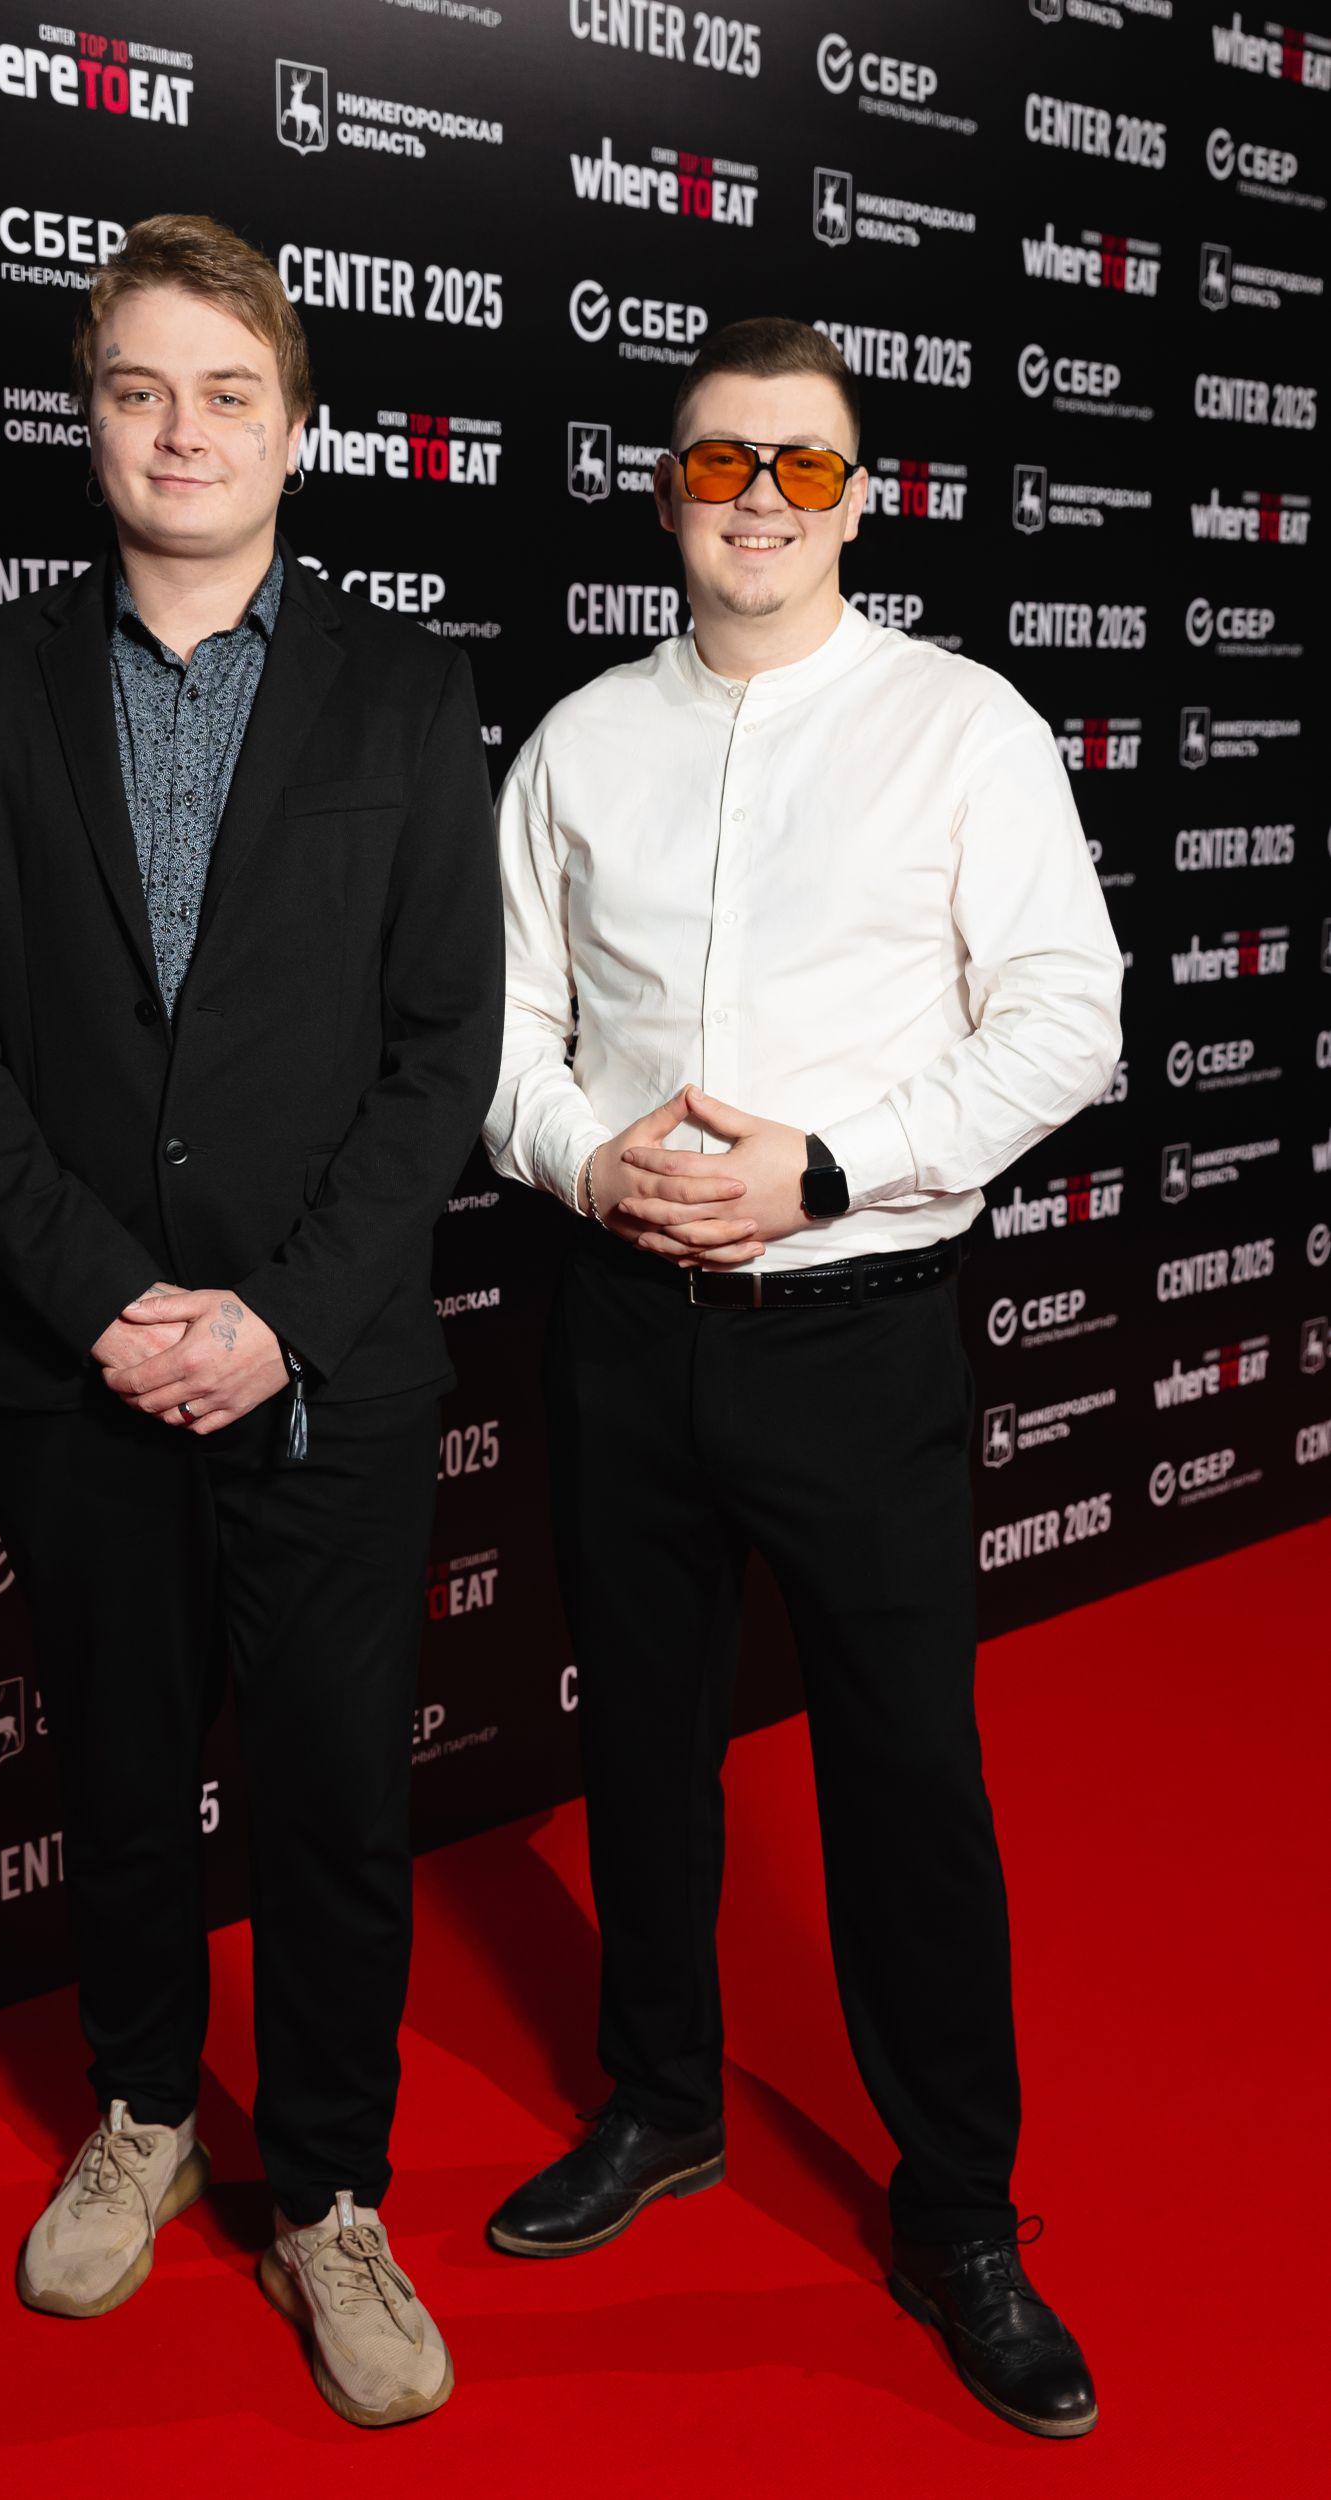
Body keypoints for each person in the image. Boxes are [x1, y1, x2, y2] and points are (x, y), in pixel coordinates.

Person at [0, 214, 501, 2428]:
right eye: (140, 389)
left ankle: (327, 2189)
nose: (182, 432)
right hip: (83, 1369)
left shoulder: (407, 692)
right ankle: (144, 2110)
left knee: (333, 1802)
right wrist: (106, 1297)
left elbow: (443, 1047)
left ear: (295, 429)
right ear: (90, 418)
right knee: (122, 1777)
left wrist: (277, 1319)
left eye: (228, 393)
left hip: (324, 1373)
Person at [481, 317, 1121, 2441]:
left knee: (906, 1775)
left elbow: (1069, 1020)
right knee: (643, 1748)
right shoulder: (576, 746)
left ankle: (960, 2210)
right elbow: (501, 1034)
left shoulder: (963, 726)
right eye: (720, 460)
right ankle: (662, 2099)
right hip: (620, 1326)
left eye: (805, 466)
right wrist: (588, 1160)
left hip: (857, 1333)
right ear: (666, 487)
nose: (759, 498)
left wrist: (826, 1165)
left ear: (860, 499)